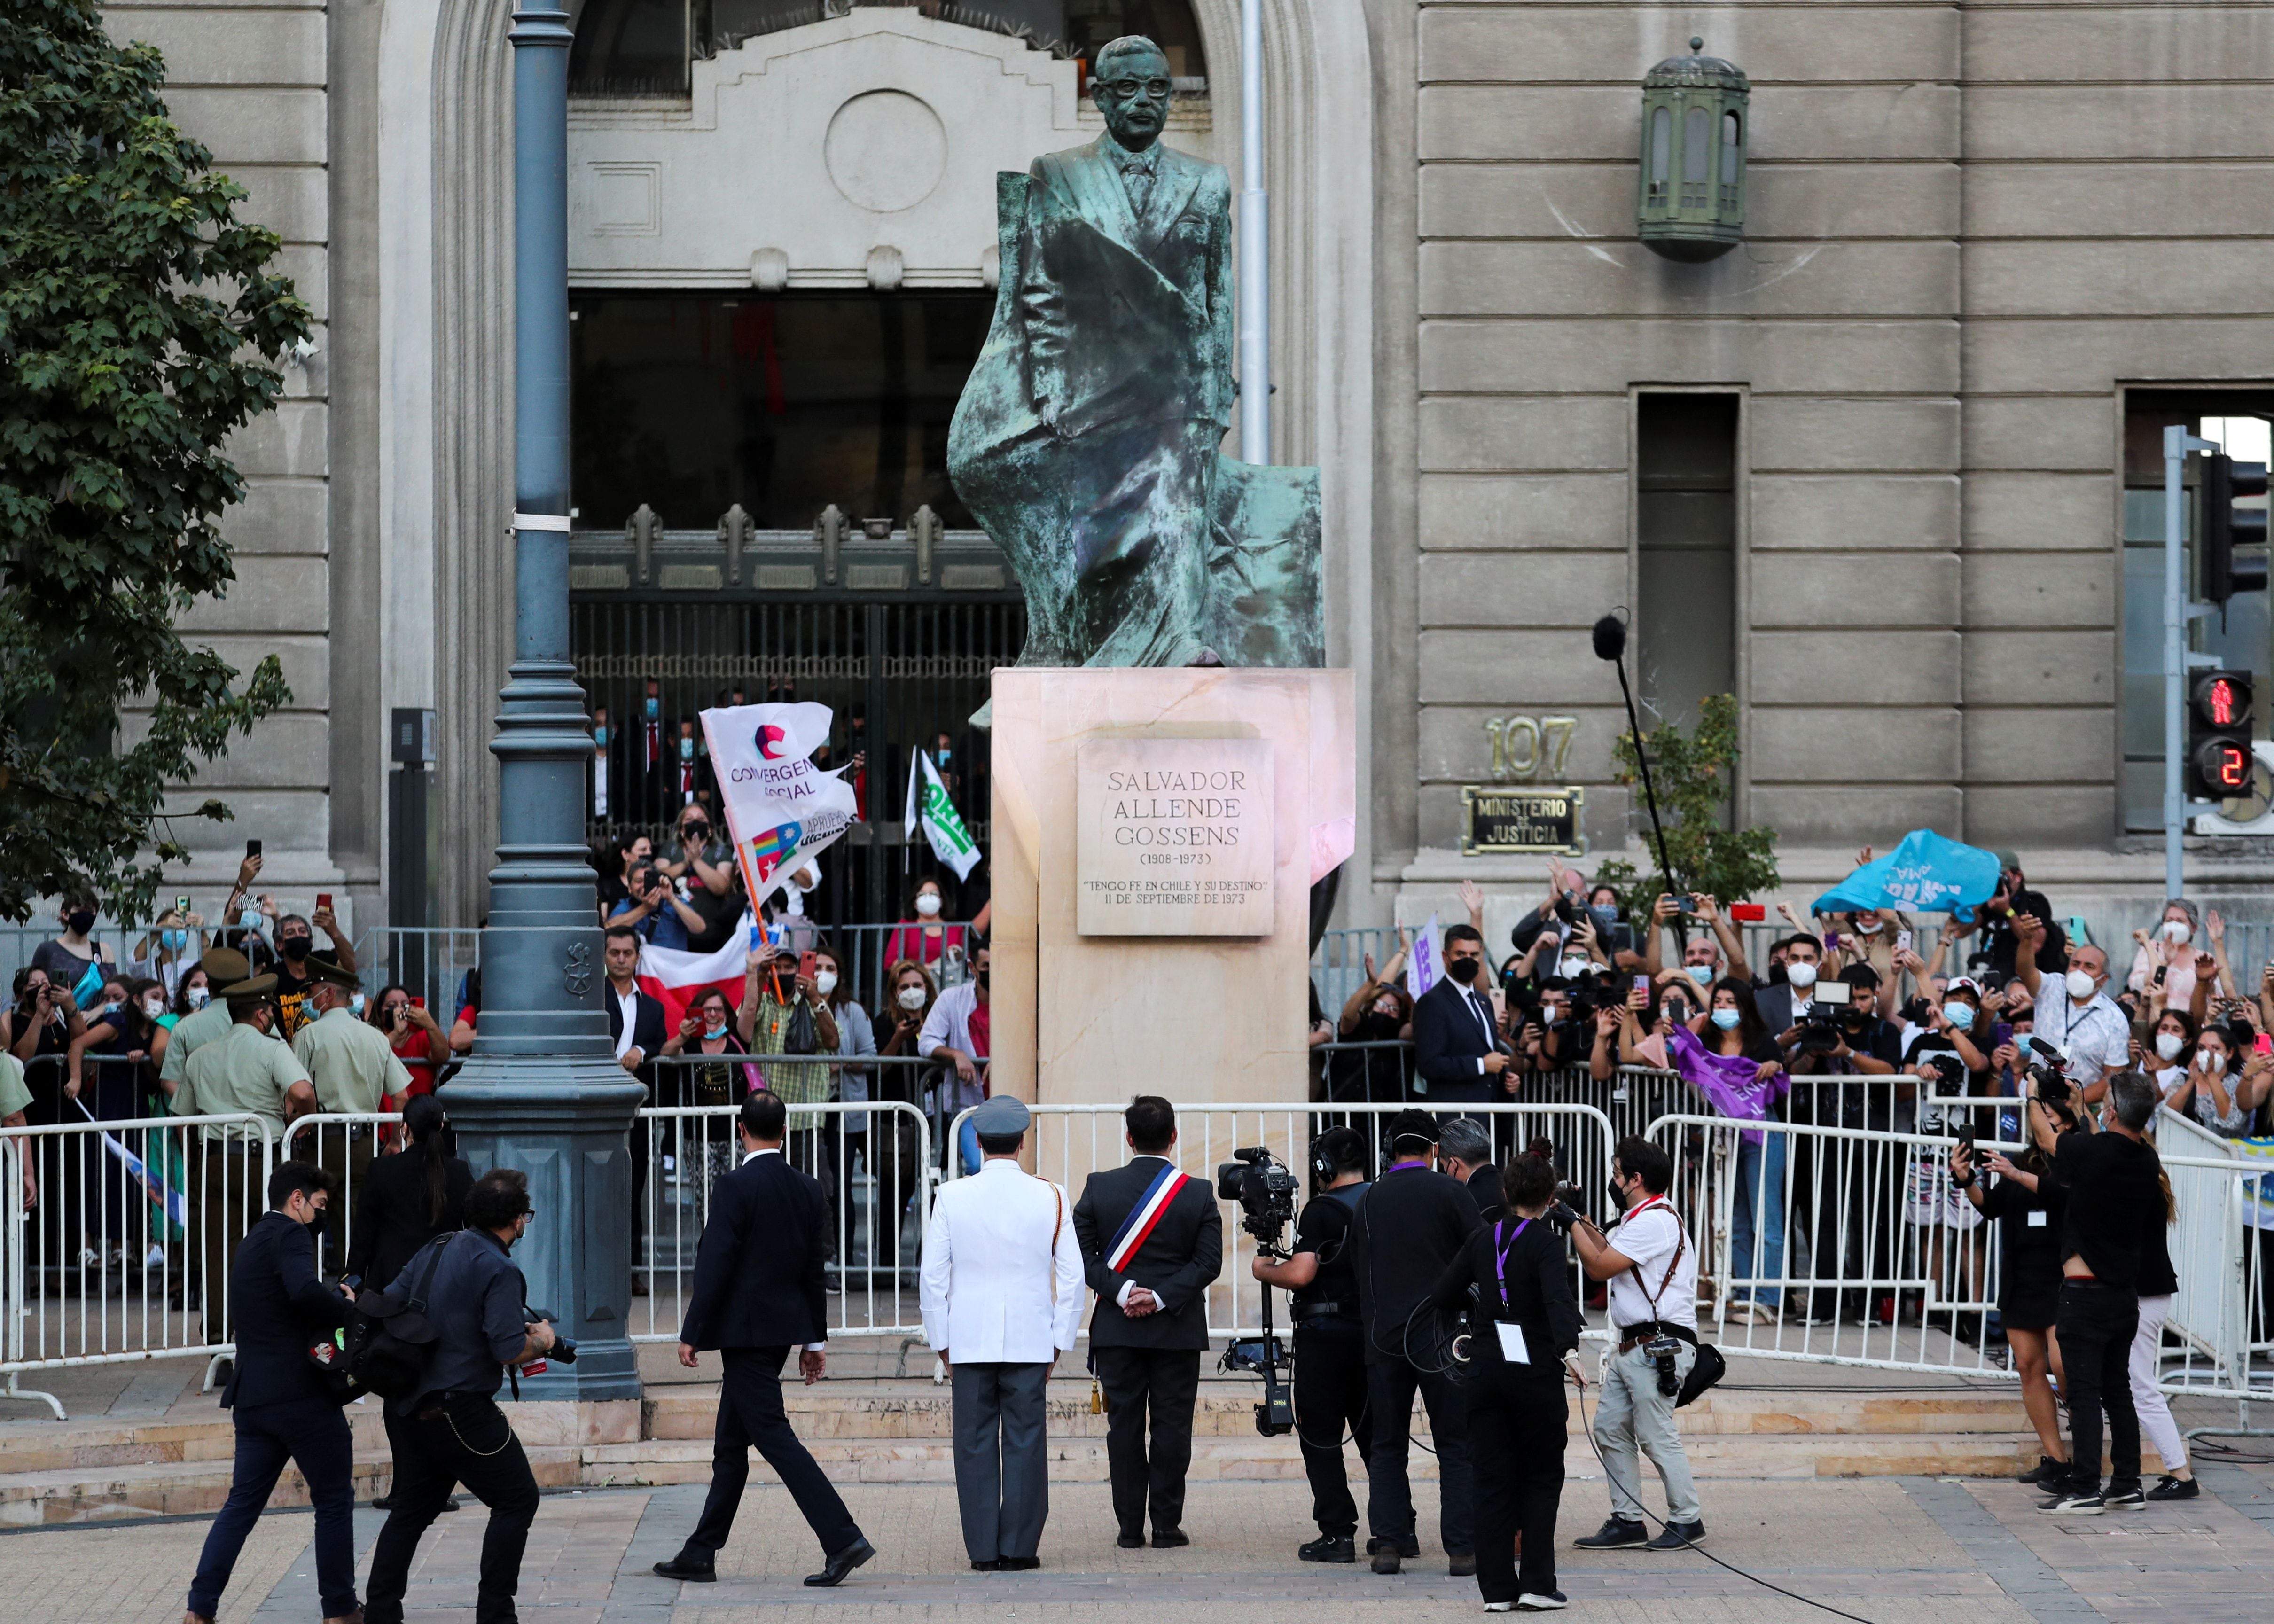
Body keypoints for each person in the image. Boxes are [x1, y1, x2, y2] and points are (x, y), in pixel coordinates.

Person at [651, 1091, 878, 1588]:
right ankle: (701, 1550)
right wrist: (814, 1340)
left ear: (741, 1130)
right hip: (779, 1334)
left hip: (745, 1334)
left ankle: (842, 1538)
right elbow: (814, 1270)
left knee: (773, 1436)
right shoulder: (807, 1187)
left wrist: (692, 1332)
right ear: (785, 1131)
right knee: (731, 1445)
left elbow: (716, 1263)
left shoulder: (734, 1185)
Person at [363, 1168, 555, 1624]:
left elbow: (393, 1299)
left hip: (412, 1402)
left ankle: (381, 1613)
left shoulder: (440, 1246)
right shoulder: (501, 1268)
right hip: (462, 1408)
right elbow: (508, 1349)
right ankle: (495, 1614)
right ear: (515, 1221)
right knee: (517, 1499)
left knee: (412, 1509)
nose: (526, 1224)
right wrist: (544, 1341)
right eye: (525, 1216)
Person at [184, 1162, 359, 1624]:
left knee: (241, 1506)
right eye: (320, 1206)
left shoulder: (251, 1243)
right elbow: (303, 1291)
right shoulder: (291, 1234)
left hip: (253, 1398)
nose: (322, 1217)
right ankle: (341, 1610)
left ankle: (199, 1610)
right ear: (297, 1200)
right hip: (299, 1396)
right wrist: (345, 1307)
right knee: (335, 1500)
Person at [920, 1094, 1085, 1572]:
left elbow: (933, 1277)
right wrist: (1060, 1340)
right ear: (1022, 1141)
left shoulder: (952, 1195)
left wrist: (941, 1342)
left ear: (977, 1141)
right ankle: (1019, 1547)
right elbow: (1072, 1277)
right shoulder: (1051, 1194)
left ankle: (983, 1550)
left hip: (968, 1338)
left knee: (972, 1444)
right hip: (1032, 1338)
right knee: (1026, 1441)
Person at [1428, 1151, 1584, 1612]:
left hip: (1485, 1371)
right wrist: (1569, 1352)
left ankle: (1496, 1591)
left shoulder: (1482, 1239)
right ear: (1550, 1198)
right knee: (1539, 1476)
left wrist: (1479, 1302)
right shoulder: (1546, 1245)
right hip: (1533, 1372)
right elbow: (1558, 1303)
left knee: (1491, 1479)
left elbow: (1442, 1294)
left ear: (1505, 1192)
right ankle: (1537, 1582)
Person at [1071, 1095, 1224, 1550]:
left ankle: (1128, 1528)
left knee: (1125, 1429)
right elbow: (1208, 1263)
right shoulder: (1197, 1192)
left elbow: (1081, 1256)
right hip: (1176, 1330)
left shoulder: (1099, 1187)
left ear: (1129, 1138)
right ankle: (1165, 1526)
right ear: (1174, 1137)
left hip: (1118, 1330)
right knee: (1173, 1427)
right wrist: (1160, 1298)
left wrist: (1121, 1292)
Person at [1347, 1107, 1479, 1576]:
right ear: (1434, 1149)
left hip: (1384, 1340)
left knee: (1387, 1446)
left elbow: (1356, 1269)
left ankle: (1389, 1545)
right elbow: (1481, 1257)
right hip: (1442, 1338)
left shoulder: (1370, 1199)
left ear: (1391, 1149)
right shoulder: (1451, 1191)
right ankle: (1463, 1550)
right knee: (1455, 1445)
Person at [2036, 1069, 2165, 1515]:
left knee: (2085, 1393)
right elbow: (2104, 1144)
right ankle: (2127, 1483)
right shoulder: (2146, 1160)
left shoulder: (2092, 1152)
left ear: (2109, 1109)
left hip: (2085, 1294)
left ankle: (2086, 1485)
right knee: (2117, 1391)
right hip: (2122, 1295)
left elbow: (2050, 1142)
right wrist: (2081, 1109)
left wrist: (2034, 1096)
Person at [1571, 1136, 1705, 1551]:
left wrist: (1570, 1223)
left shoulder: (1655, 1221)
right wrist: (1578, 1215)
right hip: (1634, 1347)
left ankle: (1688, 1518)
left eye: (1617, 1174)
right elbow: (1608, 1248)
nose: (1613, 1181)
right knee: (1610, 1428)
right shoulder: (1639, 1217)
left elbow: (1599, 1267)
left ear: (1636, 1179)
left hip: (1658, 1345)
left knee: (1653, 1433)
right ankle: (1628, 1520)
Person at [174, 974, 319, 1345]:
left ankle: (222, 1341)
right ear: (260, 1014)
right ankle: (273, 1337)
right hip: (263, 1162)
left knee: (221, 1258)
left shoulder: (201, 1056)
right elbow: (302, 1090)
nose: (272, 1014)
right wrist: (300, 1122)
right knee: (278, 1249)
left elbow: (182, 1118)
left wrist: (195, 1161)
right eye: (270, 1009)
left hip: (214, 1162)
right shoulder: (271, 1048)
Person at [1252, 1125, 1373, 1562]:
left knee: (1321, 1436)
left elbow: (1301, 1274)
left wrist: (1263, 1269)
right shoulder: (1380, 1199)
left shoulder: (1322, 1211)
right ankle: (1396, 1529)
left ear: (1323, 1166)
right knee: (1376, 1436)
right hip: (1374, 1336)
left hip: (1326, 1338)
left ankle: (1338, 1533)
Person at [1952, 1121, 2069, 1486]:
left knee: (2064, 1365)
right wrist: (1966, 1179)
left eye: (2056, 1119)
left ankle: (2086, 1445)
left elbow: (2064, 1197)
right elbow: (1990, 1207)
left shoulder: (2078, 1163)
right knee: (2028, 1367)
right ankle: (2057, 1459)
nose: (2047, 1127)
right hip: (2022, 1279)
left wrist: (2016, 1174)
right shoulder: (2019, 1160)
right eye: (2042, 1120)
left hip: (2064, 1279)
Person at [293, 959, 411, 1266]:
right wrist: (396, 1142)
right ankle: (354, 1297)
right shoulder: (375, 1037)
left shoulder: (309, 1035)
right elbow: (401, 1095)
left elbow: (295, 1094)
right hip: (363, 1145)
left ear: (329, 995)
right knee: (355, 1229)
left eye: (313, 993)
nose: (309, 1000)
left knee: (307, 1222)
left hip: (320, 1143)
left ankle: (308, 1292)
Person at [2128, 1156, 2196, 1500]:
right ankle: (2177, 1472)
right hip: (2150, 1292)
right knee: (2137, 1386)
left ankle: (2180, 1473)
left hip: (2145, 1294)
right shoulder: (2153, 1186)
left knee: (2142, 1388)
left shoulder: (2143, 1190)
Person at [2014, 920, 2131, 1103]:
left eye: (2089, 967)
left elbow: (2113, 1078)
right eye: (2075, 964)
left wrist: (2072, 1103)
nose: (2080, 971)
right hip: (2033, 1103)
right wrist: (2027, 940)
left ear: (2104, 979)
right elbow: (2025, 971)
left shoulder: (2114, 1019)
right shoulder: (2051, 987)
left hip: (2079, 1112)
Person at [1413, 924, 1513, 1108]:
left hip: (1490, 1110)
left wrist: (1506, 1076)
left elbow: (1487, 1050)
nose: (1468, 960)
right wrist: (1481, 1065)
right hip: (1455, 1114)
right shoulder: (1432, 1002)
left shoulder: (1484, 1002)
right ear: (1446, 957)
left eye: (1474, 955)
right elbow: (1429, 1064)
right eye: (1460, 954)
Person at [920, 940, 993, 1170]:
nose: (993, 971)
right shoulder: (952, 999)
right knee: (976, 1167)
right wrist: (956, 1055)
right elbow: (927, 1042)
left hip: (1012, 1104)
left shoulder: (1023, 998)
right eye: (986, 966)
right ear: (972, 968)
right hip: (970, 1105)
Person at [372, 983, 447, 1102]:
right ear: (380, 1011)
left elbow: (443, 1056)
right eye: (392, 1006)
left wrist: (429, 1024)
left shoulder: (421, 1037)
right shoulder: (373, 1036)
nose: (399, 1009)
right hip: (382, 1117)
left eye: (404, 1005)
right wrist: (397, 1033)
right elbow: (371, 1058)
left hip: (419, 1115)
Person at [885, 876, 972, 978]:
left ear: (941, 902)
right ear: (915, 904)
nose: (928, 898)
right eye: (922, 894)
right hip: (915, 985)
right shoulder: (905, 926)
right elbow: (891, 962)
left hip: (948, 985)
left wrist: (956, 955)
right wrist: (919, 968)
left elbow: (967, 962)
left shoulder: (955, 928)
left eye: (933, 894)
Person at [1437, 1115, 1502, 1225]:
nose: (1446, 1172)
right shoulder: (1511, 1187)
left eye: (1444, 1167)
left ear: (1454, 1164)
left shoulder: (1462, 1201)